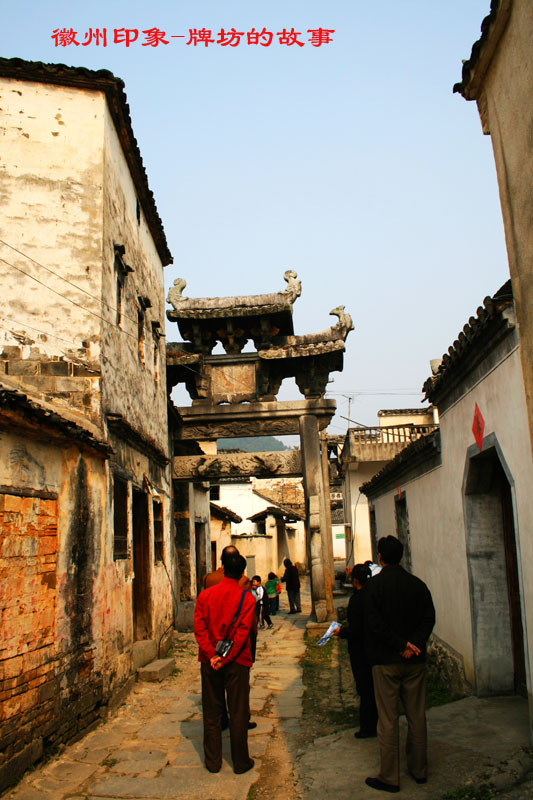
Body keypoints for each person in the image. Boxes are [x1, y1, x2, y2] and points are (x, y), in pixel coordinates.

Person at [364, 535, 435, 794]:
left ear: (380, 558)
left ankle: (390, 776)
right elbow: (429, 618)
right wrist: (413, 643)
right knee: (417, 716)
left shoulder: (375, 587)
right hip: (415, 661)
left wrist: (398, 644)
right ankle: (419, 770)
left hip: (385, 662)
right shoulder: (418, 585)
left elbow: (374, 624)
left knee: (388, 720)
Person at [194, 551, 256, 775]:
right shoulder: (246, 598)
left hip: (209, 662)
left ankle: (213, 761)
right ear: (242, 573)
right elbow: (242, 633)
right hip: (236, 661)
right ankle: (240, 762)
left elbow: (199, 629)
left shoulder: (205, 596)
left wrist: (212, 654)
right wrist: (226, 657)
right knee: (238, 712)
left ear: (221, 568)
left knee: (212, 712)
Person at [334, 562, 378, 738]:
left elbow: (356, 630)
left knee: (364, 689)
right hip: (374, 646)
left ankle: (368, 727)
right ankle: (376, 721)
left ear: (355, 581)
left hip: (360, 649)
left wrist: (340, 632)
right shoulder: (373, 594)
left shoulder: (356, 601)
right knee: (373, 687)